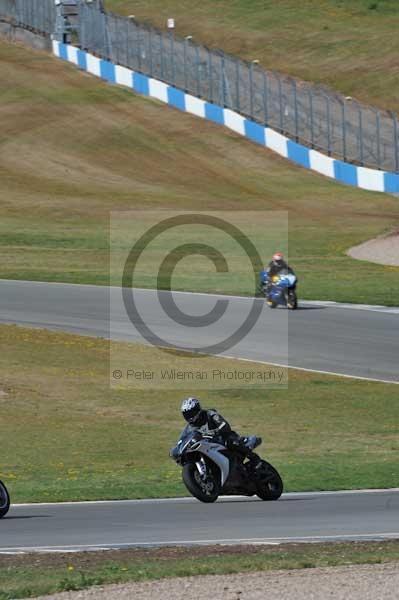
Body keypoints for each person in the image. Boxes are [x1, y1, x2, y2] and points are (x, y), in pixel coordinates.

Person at [180, 397, 262, 467]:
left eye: (191, 413)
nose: (190, 416)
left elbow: (224, 425)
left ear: (197, 409)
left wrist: (217, 431)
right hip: (208, 446)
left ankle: (254, 458)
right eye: (187, 414)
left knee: (229, 442)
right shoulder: (189, 428)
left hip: (223, 437)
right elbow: (184, 438)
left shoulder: (210, 414)